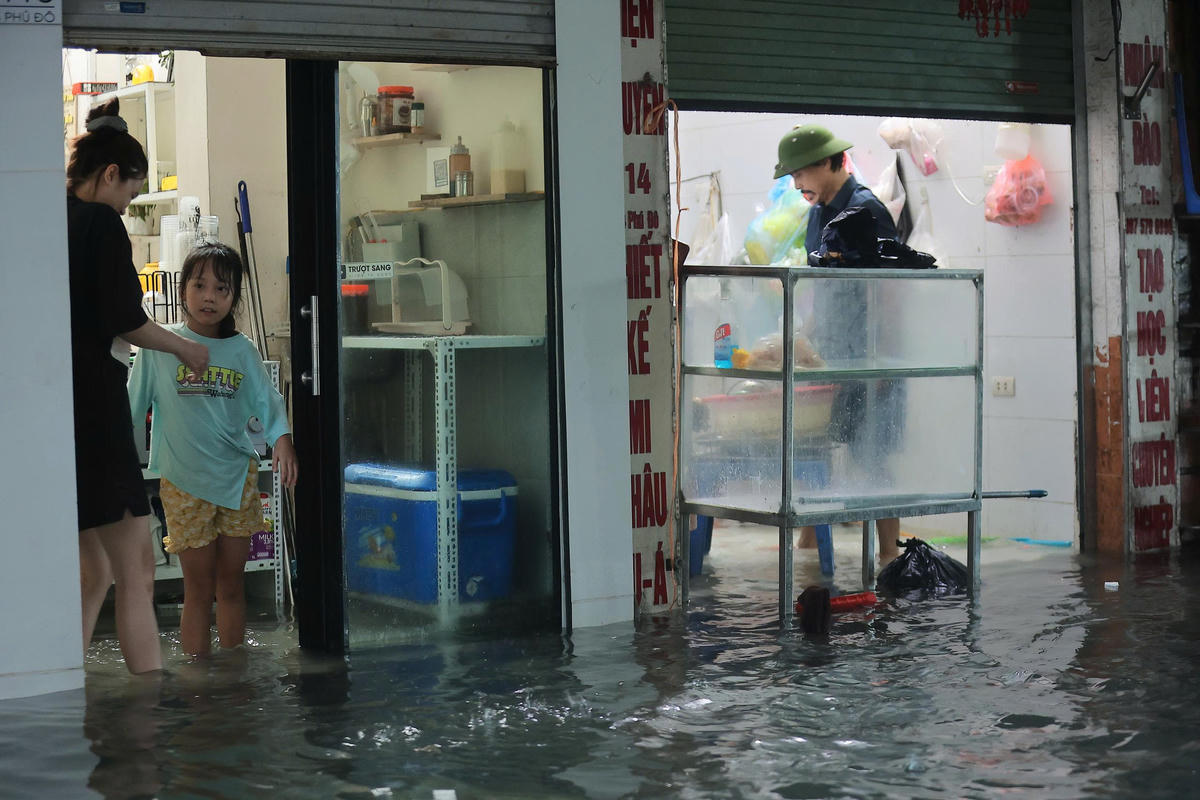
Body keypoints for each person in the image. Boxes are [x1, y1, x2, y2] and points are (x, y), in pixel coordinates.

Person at [69, 98, 210, 673]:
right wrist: (185, 346)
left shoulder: (52, 215)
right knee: (137, 570)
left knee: (94, 571)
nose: (128, 205)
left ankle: (60, 683)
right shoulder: (100, 223)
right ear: (110, 175)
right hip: (97, 409)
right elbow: (125, 318)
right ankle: (146, 705)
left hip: (61, 411)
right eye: (130, 192)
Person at [128, 242, 298, 657]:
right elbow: (131, 407)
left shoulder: (242, 350)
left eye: (222, 289)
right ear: (183, 290)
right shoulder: (160, 347)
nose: (209, 297)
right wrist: (115, 464)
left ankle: (234, 677)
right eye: (200, 285)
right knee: (199, 590)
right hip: (184, 483)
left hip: (236, 480)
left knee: (232, 586)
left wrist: (283, 440)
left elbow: (268, 402)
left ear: (234, 297)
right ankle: (198, 681)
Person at [772, 124, 902, 561]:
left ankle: (888, 556)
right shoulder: (818, 214)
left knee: (872, 455)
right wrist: (799, 337)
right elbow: (823, 287)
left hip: (871, 355)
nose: (797, 185)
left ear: (832, 162)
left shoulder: (867, 211)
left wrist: (883, 363)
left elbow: (892, 291)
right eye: (792, 177)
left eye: (801, 173)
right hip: (832, 353)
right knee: (821, 448)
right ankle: (809, 549)